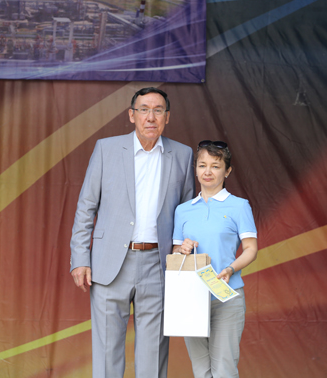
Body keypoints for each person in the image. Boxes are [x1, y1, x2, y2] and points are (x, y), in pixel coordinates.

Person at [69, 87, 195, 378]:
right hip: (110, 261)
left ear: (167, 117)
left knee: (153, 354)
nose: (151, 117)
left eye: (158, 110)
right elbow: (86, 206)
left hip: (158, 265)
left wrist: (182, 255)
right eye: (144, 110)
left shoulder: (182, 154)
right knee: (106, 353)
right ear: (131, 115)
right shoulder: (106, 149)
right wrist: (80, 258)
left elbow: (187, 212)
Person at [173, 140, 258, 378]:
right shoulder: (183, 210)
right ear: (195, 169)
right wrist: (182, 248)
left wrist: (231, 269)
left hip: (226, 296)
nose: (207, 171)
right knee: (201, 370)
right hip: (192, 296)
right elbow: (176, 251)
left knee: (224, 369)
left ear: (227, 171)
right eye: (202, 165)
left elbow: (251, 249)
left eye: (215, 166)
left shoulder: (239, 206)